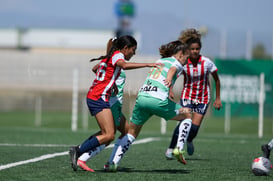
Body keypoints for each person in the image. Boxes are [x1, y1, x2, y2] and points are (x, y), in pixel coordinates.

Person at [69, 35, 161, 172]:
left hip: (98, 96)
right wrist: (148, 64)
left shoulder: (110, 57)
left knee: (108, 134)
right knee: (109, 135)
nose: (134, 53)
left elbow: (96, 69)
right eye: (133, 50)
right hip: (98, 97)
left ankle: (80, 153)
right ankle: (78, 150)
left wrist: (110, 83)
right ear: (125, 48)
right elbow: (123, 65)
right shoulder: (118, 56)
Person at [106, 40, 192, 172]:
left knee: (132, 132)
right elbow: (173, 69)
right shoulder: (177, 63)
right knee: (187, 114)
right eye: (187, 57)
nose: (187, 60)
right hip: (157, 100)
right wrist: (169, 79)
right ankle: (179, 148)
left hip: (142, 98)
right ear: (180, 54)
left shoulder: (160, 61)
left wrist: (169, 88)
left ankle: (112, 162)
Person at [165, 28, 222, 159]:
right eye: (192, 49)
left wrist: (217, 98)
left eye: (197, 49)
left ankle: (189, 140)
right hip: (187, 97)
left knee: (194, 129)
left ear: (200, 49)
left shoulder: (207, 63)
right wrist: (170, 89)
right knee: (183, 122)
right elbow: (173, 76)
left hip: (203, 99)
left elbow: (217, 80)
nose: (195, 51)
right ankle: (170, 148)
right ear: (188, 50)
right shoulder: (183, 63)